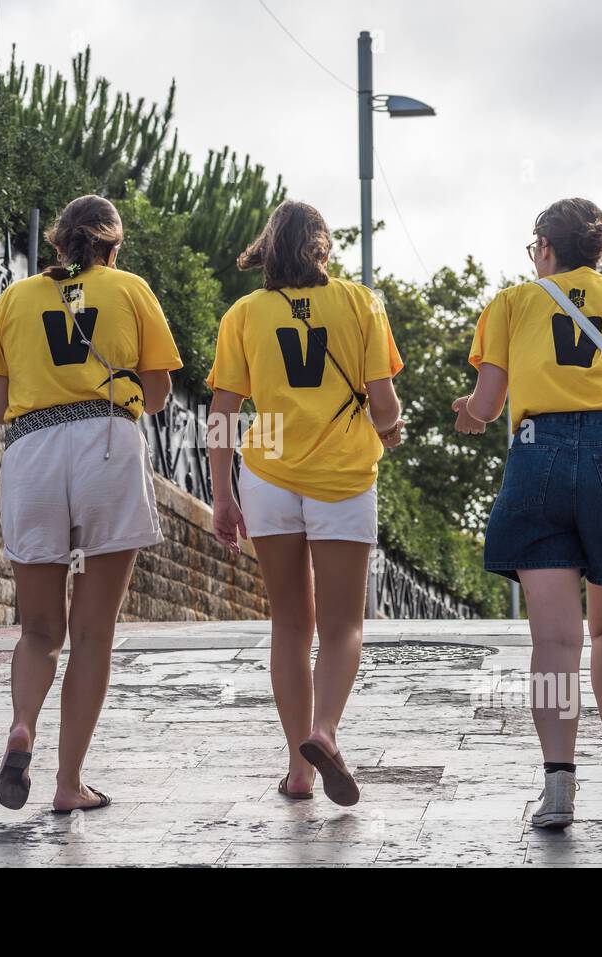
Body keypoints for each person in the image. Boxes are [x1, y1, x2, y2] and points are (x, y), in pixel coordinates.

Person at [455, 198, 602, 828]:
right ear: (599, 250)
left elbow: (486, 403)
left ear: (544, 247)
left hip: (538, 461)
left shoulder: (510, 304)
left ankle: (559, 786)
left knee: (554, 641)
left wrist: (469, 412)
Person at [0, 194, 183, 813]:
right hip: (107, 447)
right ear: (112, 247)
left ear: (57, 245)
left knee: (39, 630)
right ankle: (68, 785)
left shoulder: (14, 298)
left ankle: (21, 728)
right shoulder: (130, 289)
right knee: (93, 633)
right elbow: (161, 391)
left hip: (33, 449)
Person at [206, 201, 405, 807]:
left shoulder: (244, 314)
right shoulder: (360, 302)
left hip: (267, 475)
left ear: (269, 248)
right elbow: (384, 404)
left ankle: (298, 768)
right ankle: (325, 731)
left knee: (291, 624)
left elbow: (222, 413)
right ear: (322, 247)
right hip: (342, 474)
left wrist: (221, 493)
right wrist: (392, 430)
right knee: (342, 625)